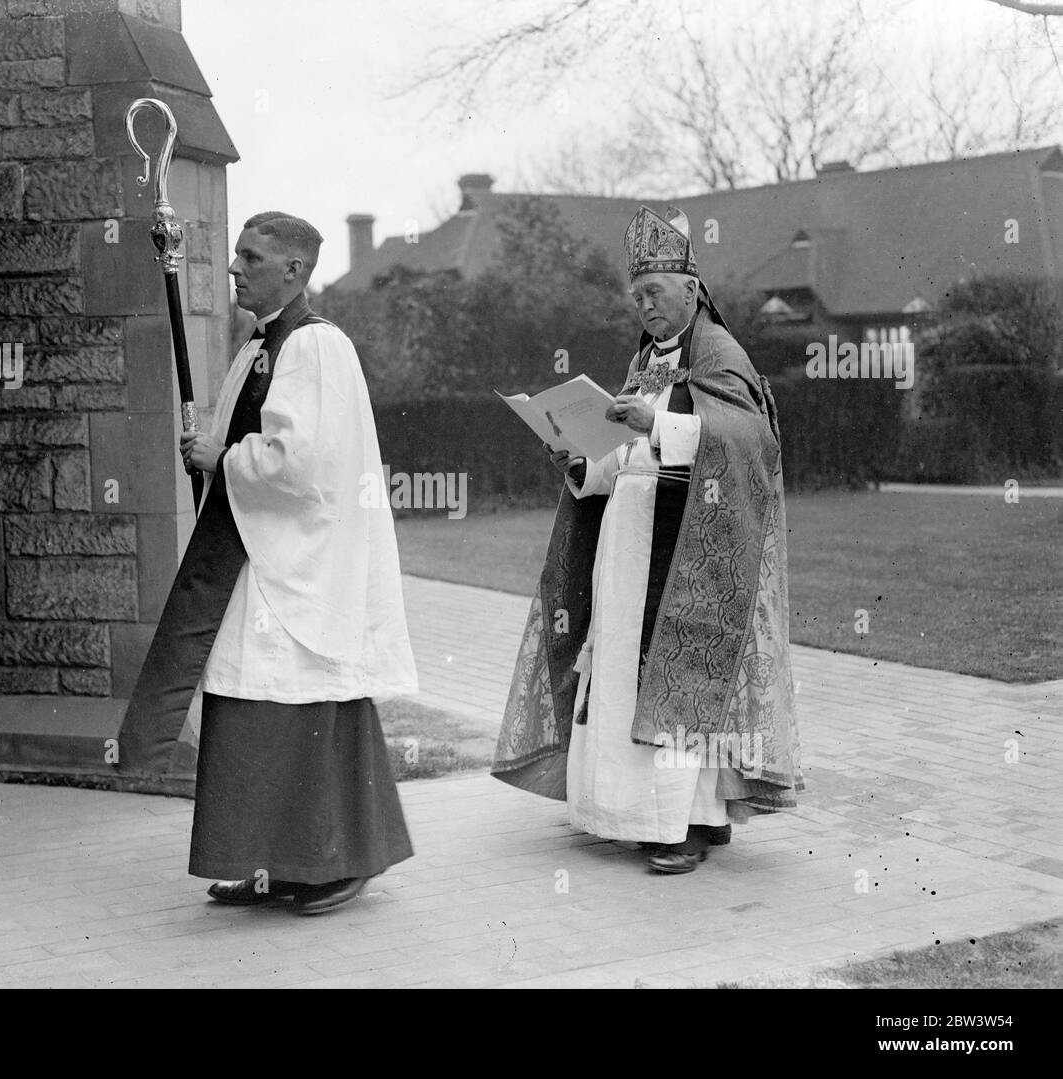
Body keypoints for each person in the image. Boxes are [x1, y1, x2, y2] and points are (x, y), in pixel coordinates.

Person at [118, 212, 417, 914]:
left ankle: (339, 860)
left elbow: (299, 461)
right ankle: (270, 862)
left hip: (298, 565)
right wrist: (214, 449)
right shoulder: (261, 345)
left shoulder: (312, 348)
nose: (234, 268)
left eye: (251, 258)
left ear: (295, 270)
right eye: (236, 255)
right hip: (259, 557)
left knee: (303, 703)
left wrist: (222, 458)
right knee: (249, 700)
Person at [493, 206, 802, 874]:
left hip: (688, 540)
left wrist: (658, 422)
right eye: (637, 295)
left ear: (692, 288)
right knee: (628, 670)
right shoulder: (645, 359)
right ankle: (650, 811)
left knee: (679, 671)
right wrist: (578, 461)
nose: (645, 305)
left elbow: (753, 443)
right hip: (628, 543)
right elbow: (621, 456)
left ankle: (681, 825)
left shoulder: (720, 354)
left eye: (655, 293)